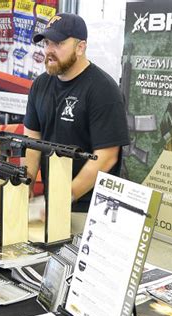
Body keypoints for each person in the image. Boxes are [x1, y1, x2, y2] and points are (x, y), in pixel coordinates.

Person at [24, 13, 130, 234]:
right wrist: (26, 184)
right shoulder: (40, 85)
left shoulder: (102, 90)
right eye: (47, 43)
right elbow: (32, 141)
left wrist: (64, 198)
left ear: (80, 47)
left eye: (59, 43)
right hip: (51, 204)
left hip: (90, 209)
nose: (49, 50)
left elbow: (107, 156)